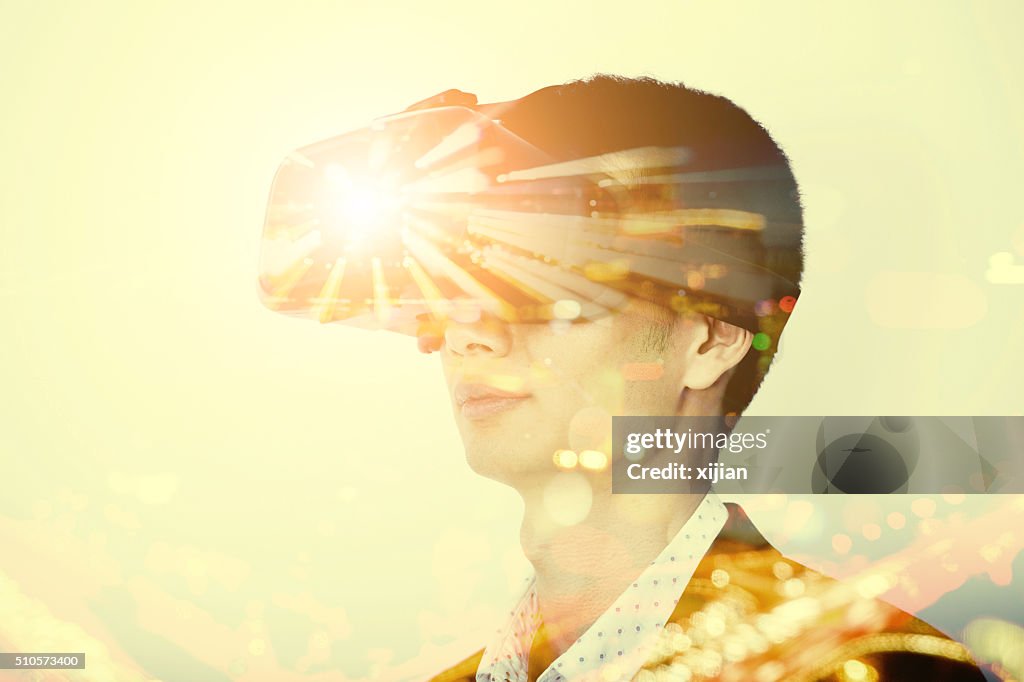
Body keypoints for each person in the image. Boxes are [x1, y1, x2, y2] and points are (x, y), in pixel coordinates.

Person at [260, 75, 988, 681]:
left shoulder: (871, 667)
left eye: (544, 286)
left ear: (709, 340)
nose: (471, 334)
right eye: (456, 290)